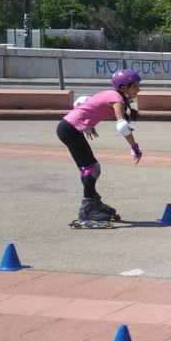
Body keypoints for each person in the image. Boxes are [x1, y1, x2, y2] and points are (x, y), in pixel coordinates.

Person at [56, 69, 143, 228]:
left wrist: (86, 125)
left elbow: (82, 102)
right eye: (135, 86)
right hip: (70, 130)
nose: (138, 90)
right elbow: (122, 126)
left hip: (68, 127)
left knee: (89, 168)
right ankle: (87, 210)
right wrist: (134, 147)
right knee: (91, 168)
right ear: (123, 87)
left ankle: (93, 201)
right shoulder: (117, 99)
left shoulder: (111, 94)